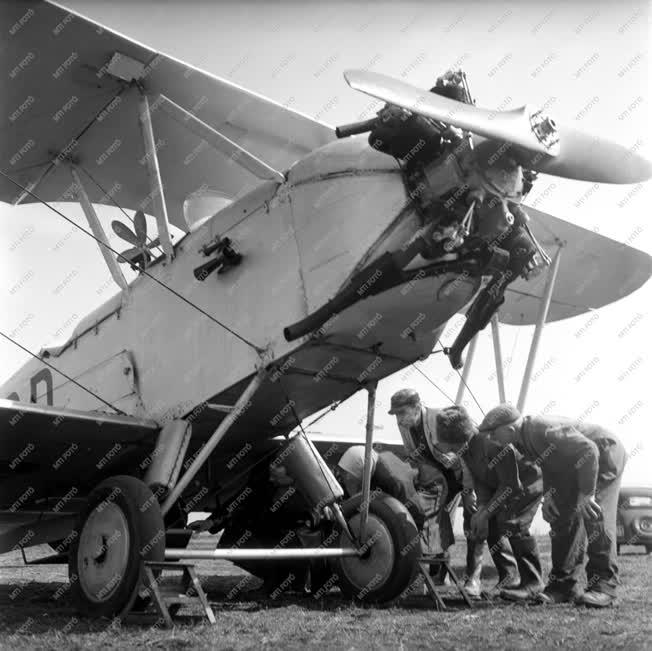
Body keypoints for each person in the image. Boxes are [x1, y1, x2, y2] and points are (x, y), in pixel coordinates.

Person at [480, 403, 627, 608]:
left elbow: (589, 449)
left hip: (603, 453)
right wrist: (550, 496)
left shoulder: (541, 429)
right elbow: (550, 464)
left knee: (595, 514)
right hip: (576, 463)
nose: (491, 440)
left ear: (509, 430)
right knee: (561, 516)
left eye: (493, 434)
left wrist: (587, 494)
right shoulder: (523, 439)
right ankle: (563, 587)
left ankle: (604, 587)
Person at [436, 404, 545, 598]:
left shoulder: (493, 445)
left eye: (453, 447)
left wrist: (485, 512)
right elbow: (482, 480)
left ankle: (533, 583)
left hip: (529, 482)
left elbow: (511, 485)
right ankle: (509, 580)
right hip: (504, 485)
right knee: (492, 525)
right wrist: (483, 511)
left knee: (513, 522)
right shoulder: (466, 449)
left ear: (463, 438)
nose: (451, 451)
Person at [388, 388, 483, 596]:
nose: (399, 419)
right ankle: (440, 574)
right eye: (395, 414)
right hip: (438, 479)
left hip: (463, 472)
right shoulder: (405, 426)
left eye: (402, 412)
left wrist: (468, 491)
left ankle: (473, 579)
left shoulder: (440, 418)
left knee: (473, 521)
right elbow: (414, 457)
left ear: (416, 407)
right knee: (436, 520)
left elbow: (467, 450)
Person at [336, 445, 425, 530]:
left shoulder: (393, 482)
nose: (345, 479)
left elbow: (413, 516)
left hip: (418, 516)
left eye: (349, 480)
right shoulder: (372, 461)